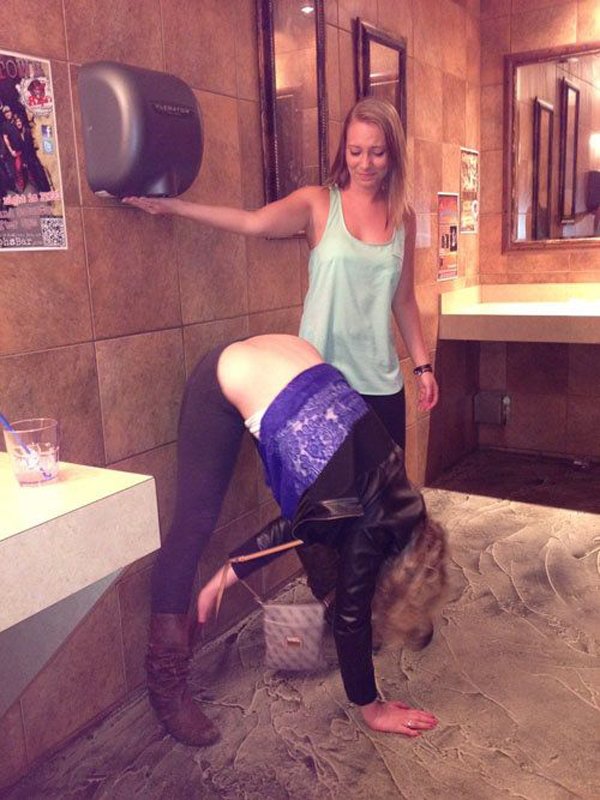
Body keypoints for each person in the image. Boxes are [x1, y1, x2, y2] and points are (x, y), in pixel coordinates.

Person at [146, 334, 447, 747]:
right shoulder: (364, 531)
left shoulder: (406, 501)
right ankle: (165, 684)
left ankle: (329, 596)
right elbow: (350, 617)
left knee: (315, 508)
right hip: (227, 373)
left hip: (294, 357)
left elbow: (311, 521)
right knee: (195, 521)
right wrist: (372, 708)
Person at [123, 97, 439, 448]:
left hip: (381, 382)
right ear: (344, 151)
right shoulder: (317, 203)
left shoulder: (403, 217)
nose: (365, 163)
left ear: (393, 153)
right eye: (355, 151)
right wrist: (177, 208)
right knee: (327, 499)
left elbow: (404, 299)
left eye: (377, 152)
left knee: (384, 499)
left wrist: (423, 367)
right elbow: (253, 222)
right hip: (320, 379)